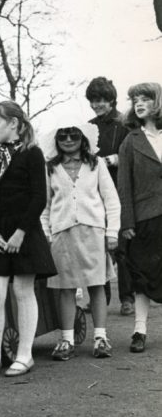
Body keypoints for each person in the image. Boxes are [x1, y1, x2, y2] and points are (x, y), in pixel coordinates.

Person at [0, 101, 56, 378]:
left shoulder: (33, 155)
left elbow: (39, 198)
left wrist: (21, 232)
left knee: (23, 291)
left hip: (24, 234)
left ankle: (25, 354)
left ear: (14, 123)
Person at [40, 121, 120, 360]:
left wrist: (112, 232)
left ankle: (101, 337)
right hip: (62, 233)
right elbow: (45, 206)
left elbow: (111, 200)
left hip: (93, 232)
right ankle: (66, 340)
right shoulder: (51, 168)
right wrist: (47, 232)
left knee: (96, 285)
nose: (67, 140)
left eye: (73, 135)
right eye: (62, 135)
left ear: (83, 138)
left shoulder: (96, 165)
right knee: (65, 288)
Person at [117, 82, 162, 353]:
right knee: (144, 277)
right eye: (135, 100)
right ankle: (139, 331)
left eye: (145, 98)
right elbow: (124, 186)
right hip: (145, 218)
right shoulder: (130, 141)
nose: (139, 103)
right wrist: (127, 223)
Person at [85, 76, 133, 315]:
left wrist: (115, 159)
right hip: (95, 192)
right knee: (96, 246)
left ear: (112, 99)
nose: (97, 104)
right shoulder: (89, 126)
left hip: (120, 188)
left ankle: (128, 298)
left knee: (121, 246)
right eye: (93, 100)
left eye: (102, 100)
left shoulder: (125, 122)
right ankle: (99, 297)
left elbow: (134, 153)